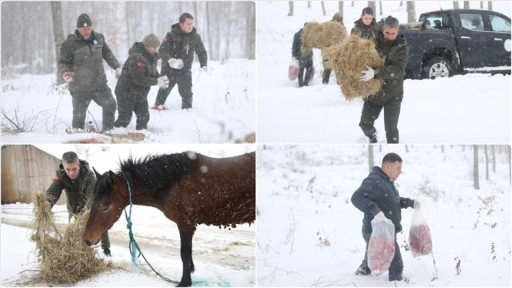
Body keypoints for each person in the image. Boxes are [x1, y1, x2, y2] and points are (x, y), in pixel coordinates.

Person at [351, 152, 420, 281]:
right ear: (387, 167)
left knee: (372, 257)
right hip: (376, 231)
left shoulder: (387, 181)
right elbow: (355, 198)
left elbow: (393, 201)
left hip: (383, 231)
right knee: (395, 262)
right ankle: (395, 281)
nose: (400, 172)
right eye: (398, 168)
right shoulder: (373, 181)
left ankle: (362, 273)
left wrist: (410, 202)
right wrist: (374, 210)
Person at [58, 13, 122, 133]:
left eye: (89, 28)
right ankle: (78, 135)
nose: (86, 31)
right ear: (78, 28)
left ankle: (107, 132)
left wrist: (117, 67)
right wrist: (65, 73)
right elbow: (63, 63)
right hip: (79, 87)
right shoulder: (69, 43)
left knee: (110, 104)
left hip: (99, 85)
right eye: (83, 29)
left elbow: (107, 54)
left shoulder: (99, 38)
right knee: (78, 117)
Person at [46, 151, 111, 256]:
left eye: (74, 169)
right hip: (73, 209)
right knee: (76, 234)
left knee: (99, 222)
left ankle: (106, 247)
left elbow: (92, 197)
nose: (71, 173)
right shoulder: (61, 174)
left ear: (79, 165)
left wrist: (87, 214)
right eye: (68, 169)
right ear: (63, 167)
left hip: (88, 207)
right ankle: (80, 253)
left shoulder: (89, 175)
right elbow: (54, 190)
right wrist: (47, 203)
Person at [358, 16, 408, 143]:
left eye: (393, 33)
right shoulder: (373, 43)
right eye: (387, 33)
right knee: (365, 124)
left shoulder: (402, 47)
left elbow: (397, 70)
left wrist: (375, 73)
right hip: (374, 93)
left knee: (391, 129)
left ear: (397, 32)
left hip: (393, 94)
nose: (390, 36)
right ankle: (372, 135)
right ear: (382, 30)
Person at [152, 13, 208, 110]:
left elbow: (202, 52)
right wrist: (169, 59)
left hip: (185, 70)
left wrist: (204, 64)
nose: (190, 26)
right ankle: (157, 107)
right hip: (169, 69)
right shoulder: (171, 35)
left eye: (191, 23)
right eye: (188, 24)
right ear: (181, 24)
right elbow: (162, 50)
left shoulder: (195, 37)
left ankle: (187, 110)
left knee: (187, 93)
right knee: (164, 90)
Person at [114, 34, 170, 130]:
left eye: (157, 47)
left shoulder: (151, 56)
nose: (156, 49)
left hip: (140, 94)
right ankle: (112, 132)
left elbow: (152, 71)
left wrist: (161, 78)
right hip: (126, 93)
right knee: (124, 119)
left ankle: (141, 135)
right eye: (154, 47)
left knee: (144, 117)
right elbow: (140, 79)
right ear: (147, 46)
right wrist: (157, 81)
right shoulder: (137, 58)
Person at [322, 12, 344, 84]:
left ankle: (339, 84)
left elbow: (344, 39)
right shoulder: (327, 26)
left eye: (340, 20)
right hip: (328, 52)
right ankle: (325, 83)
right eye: (338, 20)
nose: (339, 22)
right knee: (327, 69)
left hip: (338, 52)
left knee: (339, 69)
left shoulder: (342, 27)